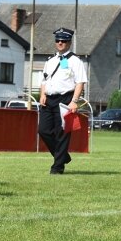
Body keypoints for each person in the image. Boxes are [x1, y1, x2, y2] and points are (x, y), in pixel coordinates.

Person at [38, 28, 87, 174]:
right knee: (43, 131)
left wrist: (74, 101)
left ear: (69, 42)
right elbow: (44, 80)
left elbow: (80, 82)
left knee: (62, 133)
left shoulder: (75, 61)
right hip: (49, 99)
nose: (60, 43)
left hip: (65, 99)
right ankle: (63, 156)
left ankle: (57, 167)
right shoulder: (50, 61)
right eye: (58, 40)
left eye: (63, 40)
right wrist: (42, 94)